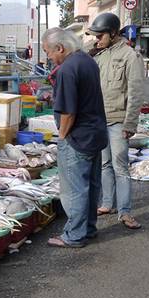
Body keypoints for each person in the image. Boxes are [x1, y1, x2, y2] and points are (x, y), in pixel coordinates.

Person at [41, 27, 108, 248]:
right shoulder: (87, 61)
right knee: (91, 185)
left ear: (60, 48)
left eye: (48, 52)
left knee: (74, 189)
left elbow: (68, 112)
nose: (49, 58)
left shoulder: (67, 69)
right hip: (95, 133)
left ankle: (74, 235)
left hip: (77, 137)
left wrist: (62, 137)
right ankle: (88, 228)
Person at [87, 14, 144, 229]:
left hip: (119, 120)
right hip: (100, 120)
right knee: (104, 164)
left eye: (100, 35)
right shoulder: (98, 55)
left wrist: (130, 124)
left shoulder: (130, 56)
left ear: (112, 33)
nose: (97, 39)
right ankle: (108, 204)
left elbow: (135, 92)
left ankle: (125, 212)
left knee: (121, 168)